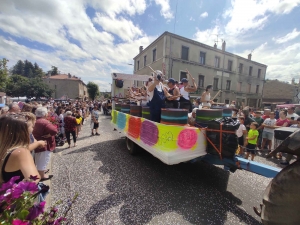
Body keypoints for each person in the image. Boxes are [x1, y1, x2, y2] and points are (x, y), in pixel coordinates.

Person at [0, 114, 40, 184]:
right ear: (23, 132)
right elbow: (33, 179)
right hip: (14, 194)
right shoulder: (21, 152)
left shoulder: (4, 149)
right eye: (32, 127)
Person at [33, 107, 57, 181]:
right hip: (44, 143)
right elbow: (54, 130)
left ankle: (41, 172)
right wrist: (50, 135)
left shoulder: (35, 120)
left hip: (37, 143)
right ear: (45, 114)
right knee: (43, 159)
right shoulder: (44, 122)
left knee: (39, 159)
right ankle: (42, 175)